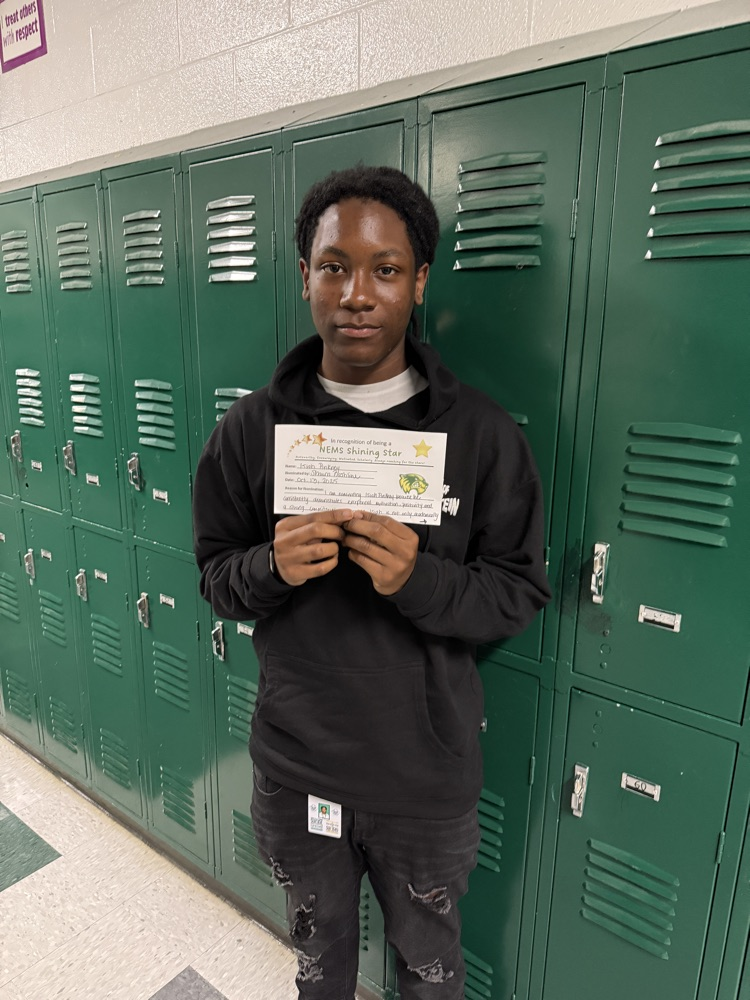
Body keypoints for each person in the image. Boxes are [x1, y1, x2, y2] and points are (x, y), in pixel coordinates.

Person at [192, 165, 551, 1000]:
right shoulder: (250, 431)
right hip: (297, 770)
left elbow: (516, 592)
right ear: (305, 276)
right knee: (320, 971)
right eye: (333, 266)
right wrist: (270, 566)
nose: (357, 293)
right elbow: (216, 576)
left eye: (385, 270)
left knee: (429, 977)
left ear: (419, 281)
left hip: (422, 785)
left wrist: (420, 581)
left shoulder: (482, 437)